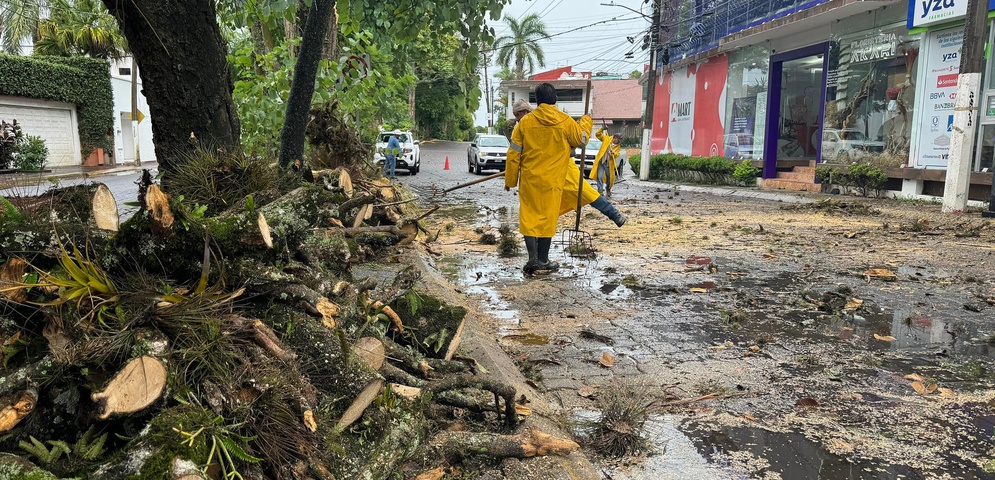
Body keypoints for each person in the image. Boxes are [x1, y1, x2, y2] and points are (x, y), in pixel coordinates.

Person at [512, 99, 626, 232]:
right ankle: (538, 238)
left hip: (564, 169)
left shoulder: (555, 121)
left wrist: (585, 123)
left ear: (526, 111)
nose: (517, 119)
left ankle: (614, 214)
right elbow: (515, 154)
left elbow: (577, 142)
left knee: (586, 193)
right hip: (541, 175)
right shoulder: (522, 127)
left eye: (518, 115)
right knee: (543, 207)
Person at [590, 128, 622, 197]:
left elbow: (617, 154)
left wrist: (614, 153)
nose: (620, 141)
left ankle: (608, 189)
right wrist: (602, 129)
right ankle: (600, 190)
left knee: (609, 178)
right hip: (601, 161)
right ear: (614, 138)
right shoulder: (606, 139)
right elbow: (597, 134)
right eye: (619, 139)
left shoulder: (618, 147)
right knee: (600, 176)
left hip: (609, 164)